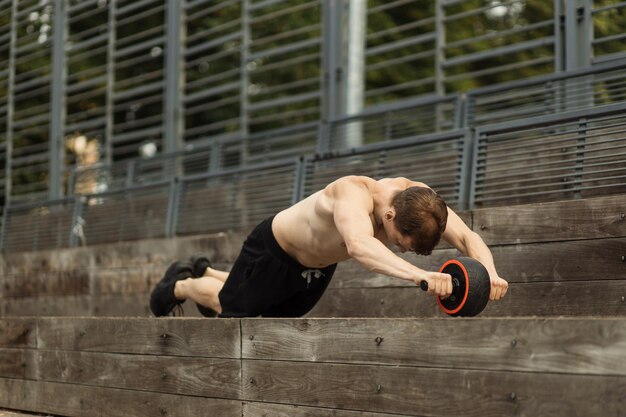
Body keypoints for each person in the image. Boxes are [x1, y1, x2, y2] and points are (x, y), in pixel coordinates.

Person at [150, 175, 508, 318]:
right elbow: (358, 246)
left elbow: (466, 238)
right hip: (274, 252)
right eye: (400, 242)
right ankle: (180, 284)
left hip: (317, 268)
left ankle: (207, 269)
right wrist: (421, 277)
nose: (399, 249)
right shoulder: (352, 193)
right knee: (235, 309)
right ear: (388, 214)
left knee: (278, 319)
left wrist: (490, 274)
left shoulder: (424, 202)